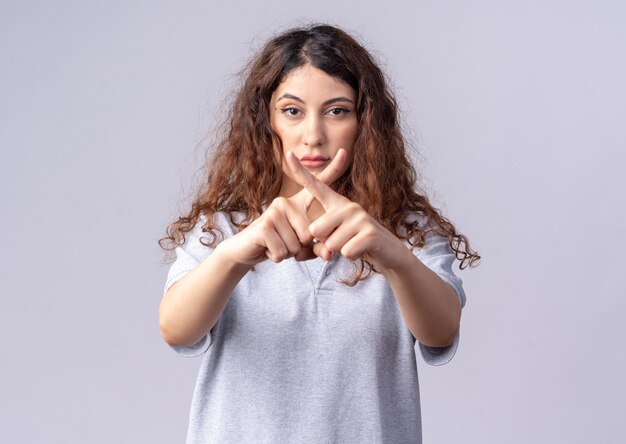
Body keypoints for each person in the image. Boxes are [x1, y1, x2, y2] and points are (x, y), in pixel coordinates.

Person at [158, 23, 480, 444]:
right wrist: (235, 255)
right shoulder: (221, 229)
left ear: (365, 122)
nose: (313, 135)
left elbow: (441, 332)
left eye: (337, 111)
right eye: (292, 111)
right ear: (265, 122)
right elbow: (176, 329)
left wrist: (391, 253)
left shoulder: (410, 232)